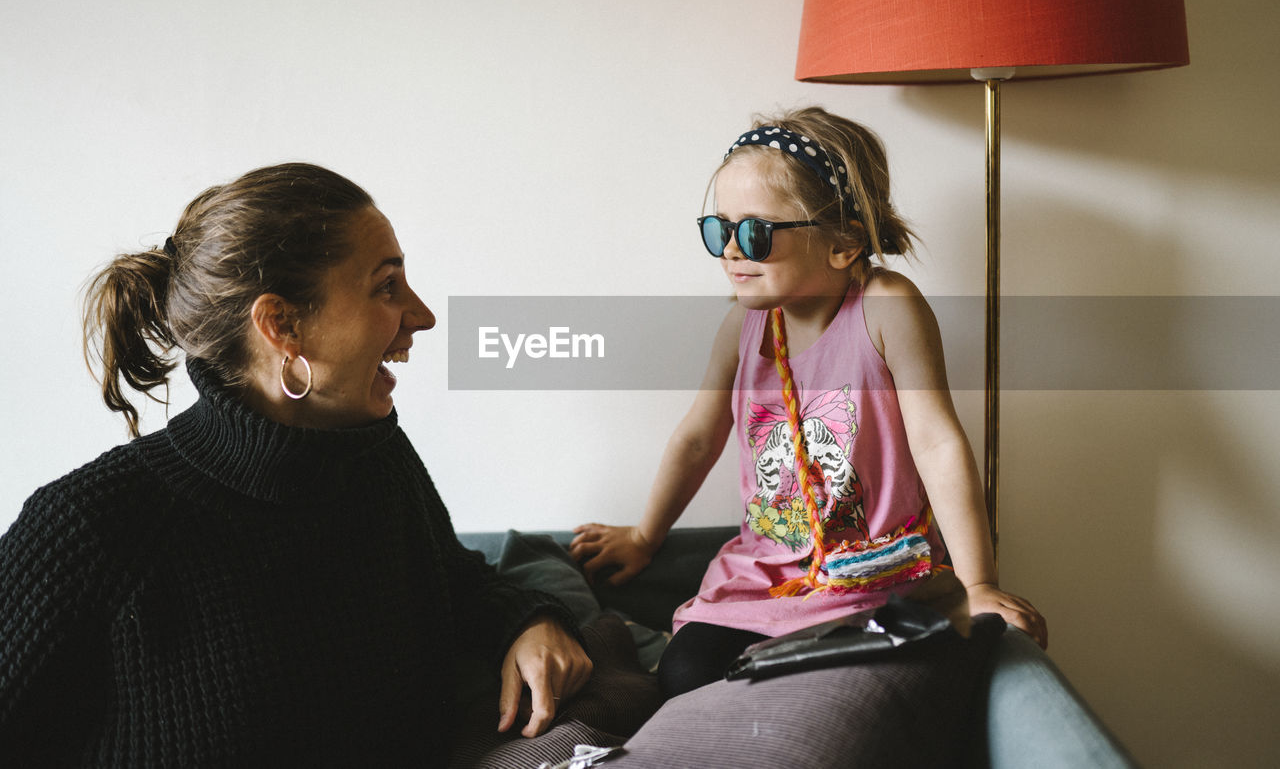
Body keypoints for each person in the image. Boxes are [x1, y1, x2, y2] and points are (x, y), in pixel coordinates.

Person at [0, 164, 594, 765]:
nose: (422, 316)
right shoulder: (89, 528)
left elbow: (454, 584)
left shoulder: (375, 461)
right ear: (282, 325)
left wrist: (530, 620)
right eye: (387, 287)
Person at [571, 107, 1047, 698]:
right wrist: (645, 536)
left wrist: (977, 583)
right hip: (765, 576)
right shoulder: (742, 329)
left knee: (862, 682)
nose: (730, 253)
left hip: (878, 574)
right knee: (684, 675)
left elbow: (937, 440)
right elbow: (698, 436)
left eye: (755, 234)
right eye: (719, 230)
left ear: (843, 242)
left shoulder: (885, 308)